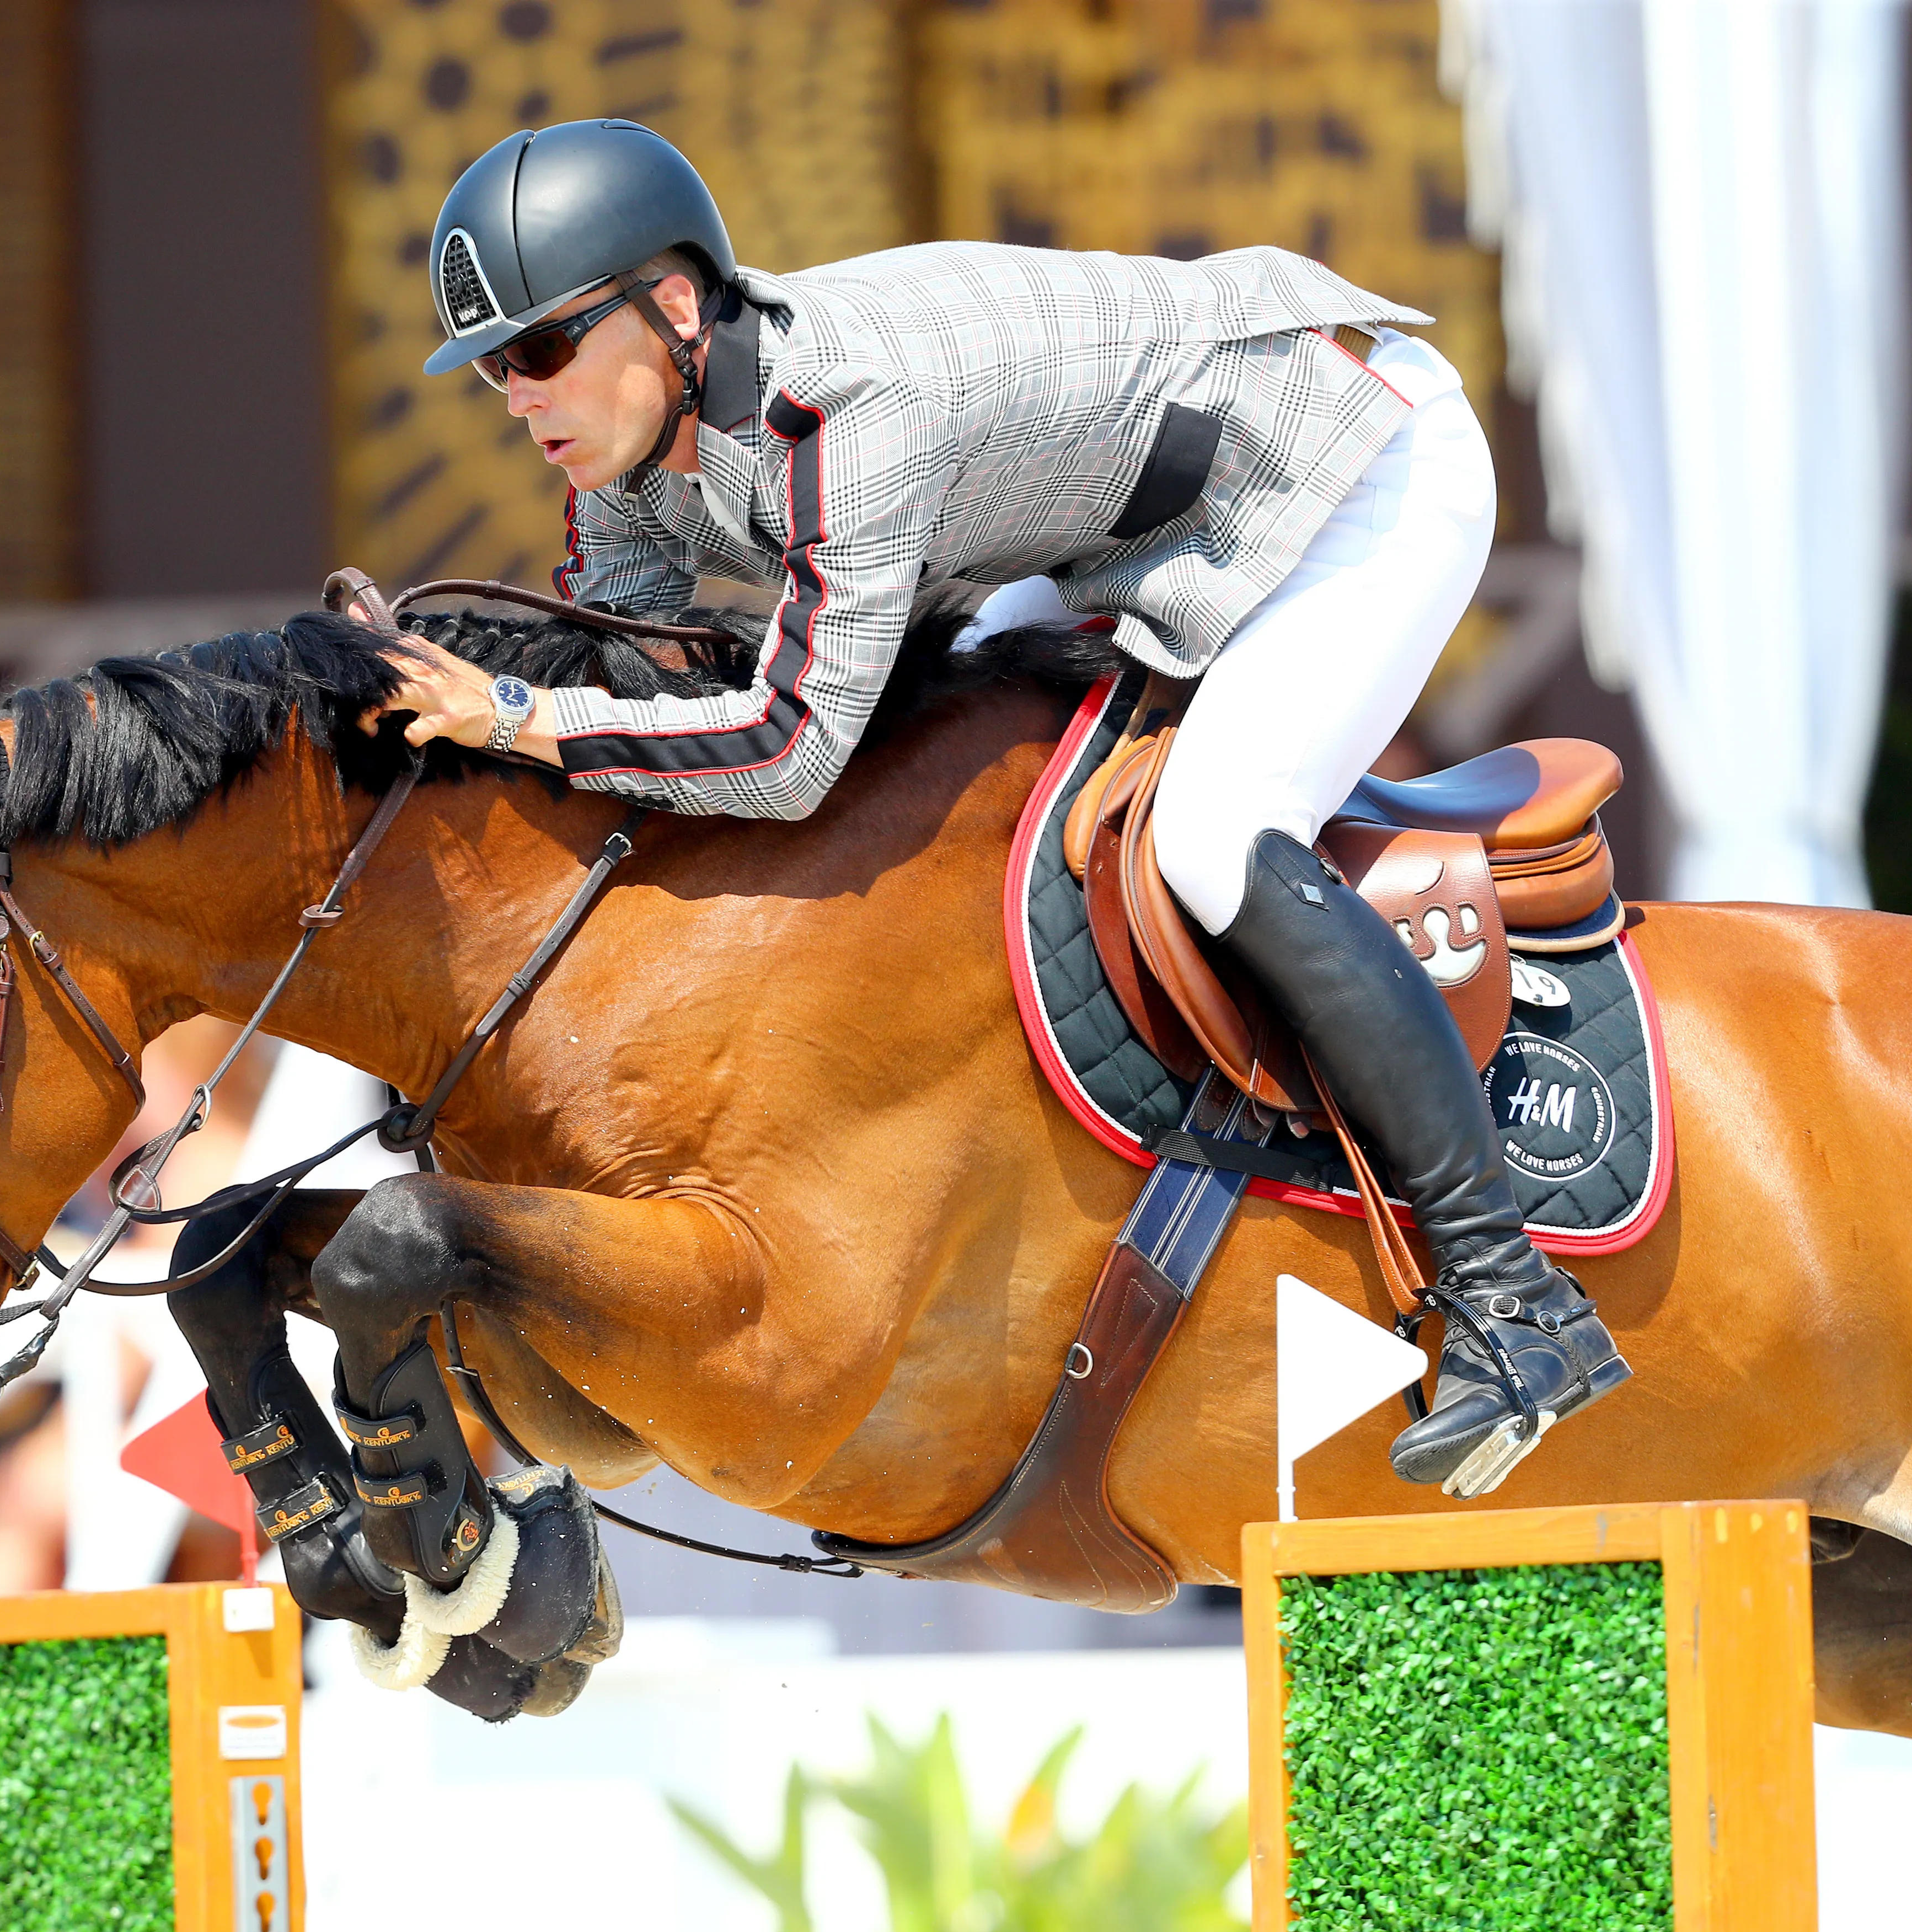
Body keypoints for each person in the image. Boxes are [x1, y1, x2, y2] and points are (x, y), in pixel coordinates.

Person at [368, 119, 1626, 1493]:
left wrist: (530, 720)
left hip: (1349, 462)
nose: (515, 393)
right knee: (954, 753)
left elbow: (785, 750)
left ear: (671, 308)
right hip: (1116, 521)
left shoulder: (846, 416)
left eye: (539, 348)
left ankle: (1515, 1302)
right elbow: (630, 669)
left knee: (1214, 839)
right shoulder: (632, 460)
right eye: (495, 367)